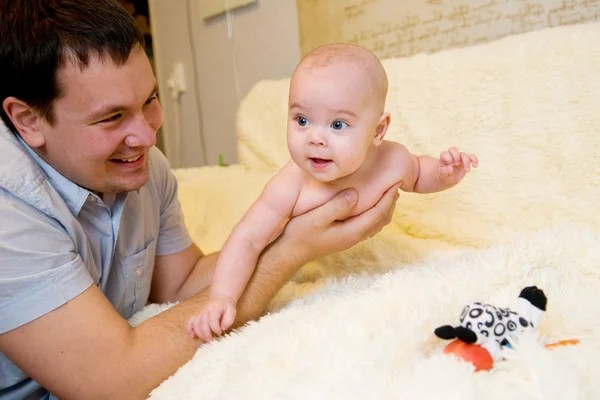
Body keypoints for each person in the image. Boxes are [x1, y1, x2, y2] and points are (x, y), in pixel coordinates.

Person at [0, 1, 400, 399]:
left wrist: (286, 228)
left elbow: (182, 281)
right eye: (112, 118)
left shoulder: (145, 168)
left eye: (150, 101)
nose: (148, 137)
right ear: (28, 120)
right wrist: (292, 252)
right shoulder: (8, 209)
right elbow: (111, 381)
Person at [186, 43, 479, 341]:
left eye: (338, 125)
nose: (315, 138)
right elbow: (247, 239)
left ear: (378, 131)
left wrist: (444, 173)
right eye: (301, 120)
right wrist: (221, 297)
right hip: (291, 256)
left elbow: (418, 175)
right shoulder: (292, 184)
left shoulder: (393, 161)